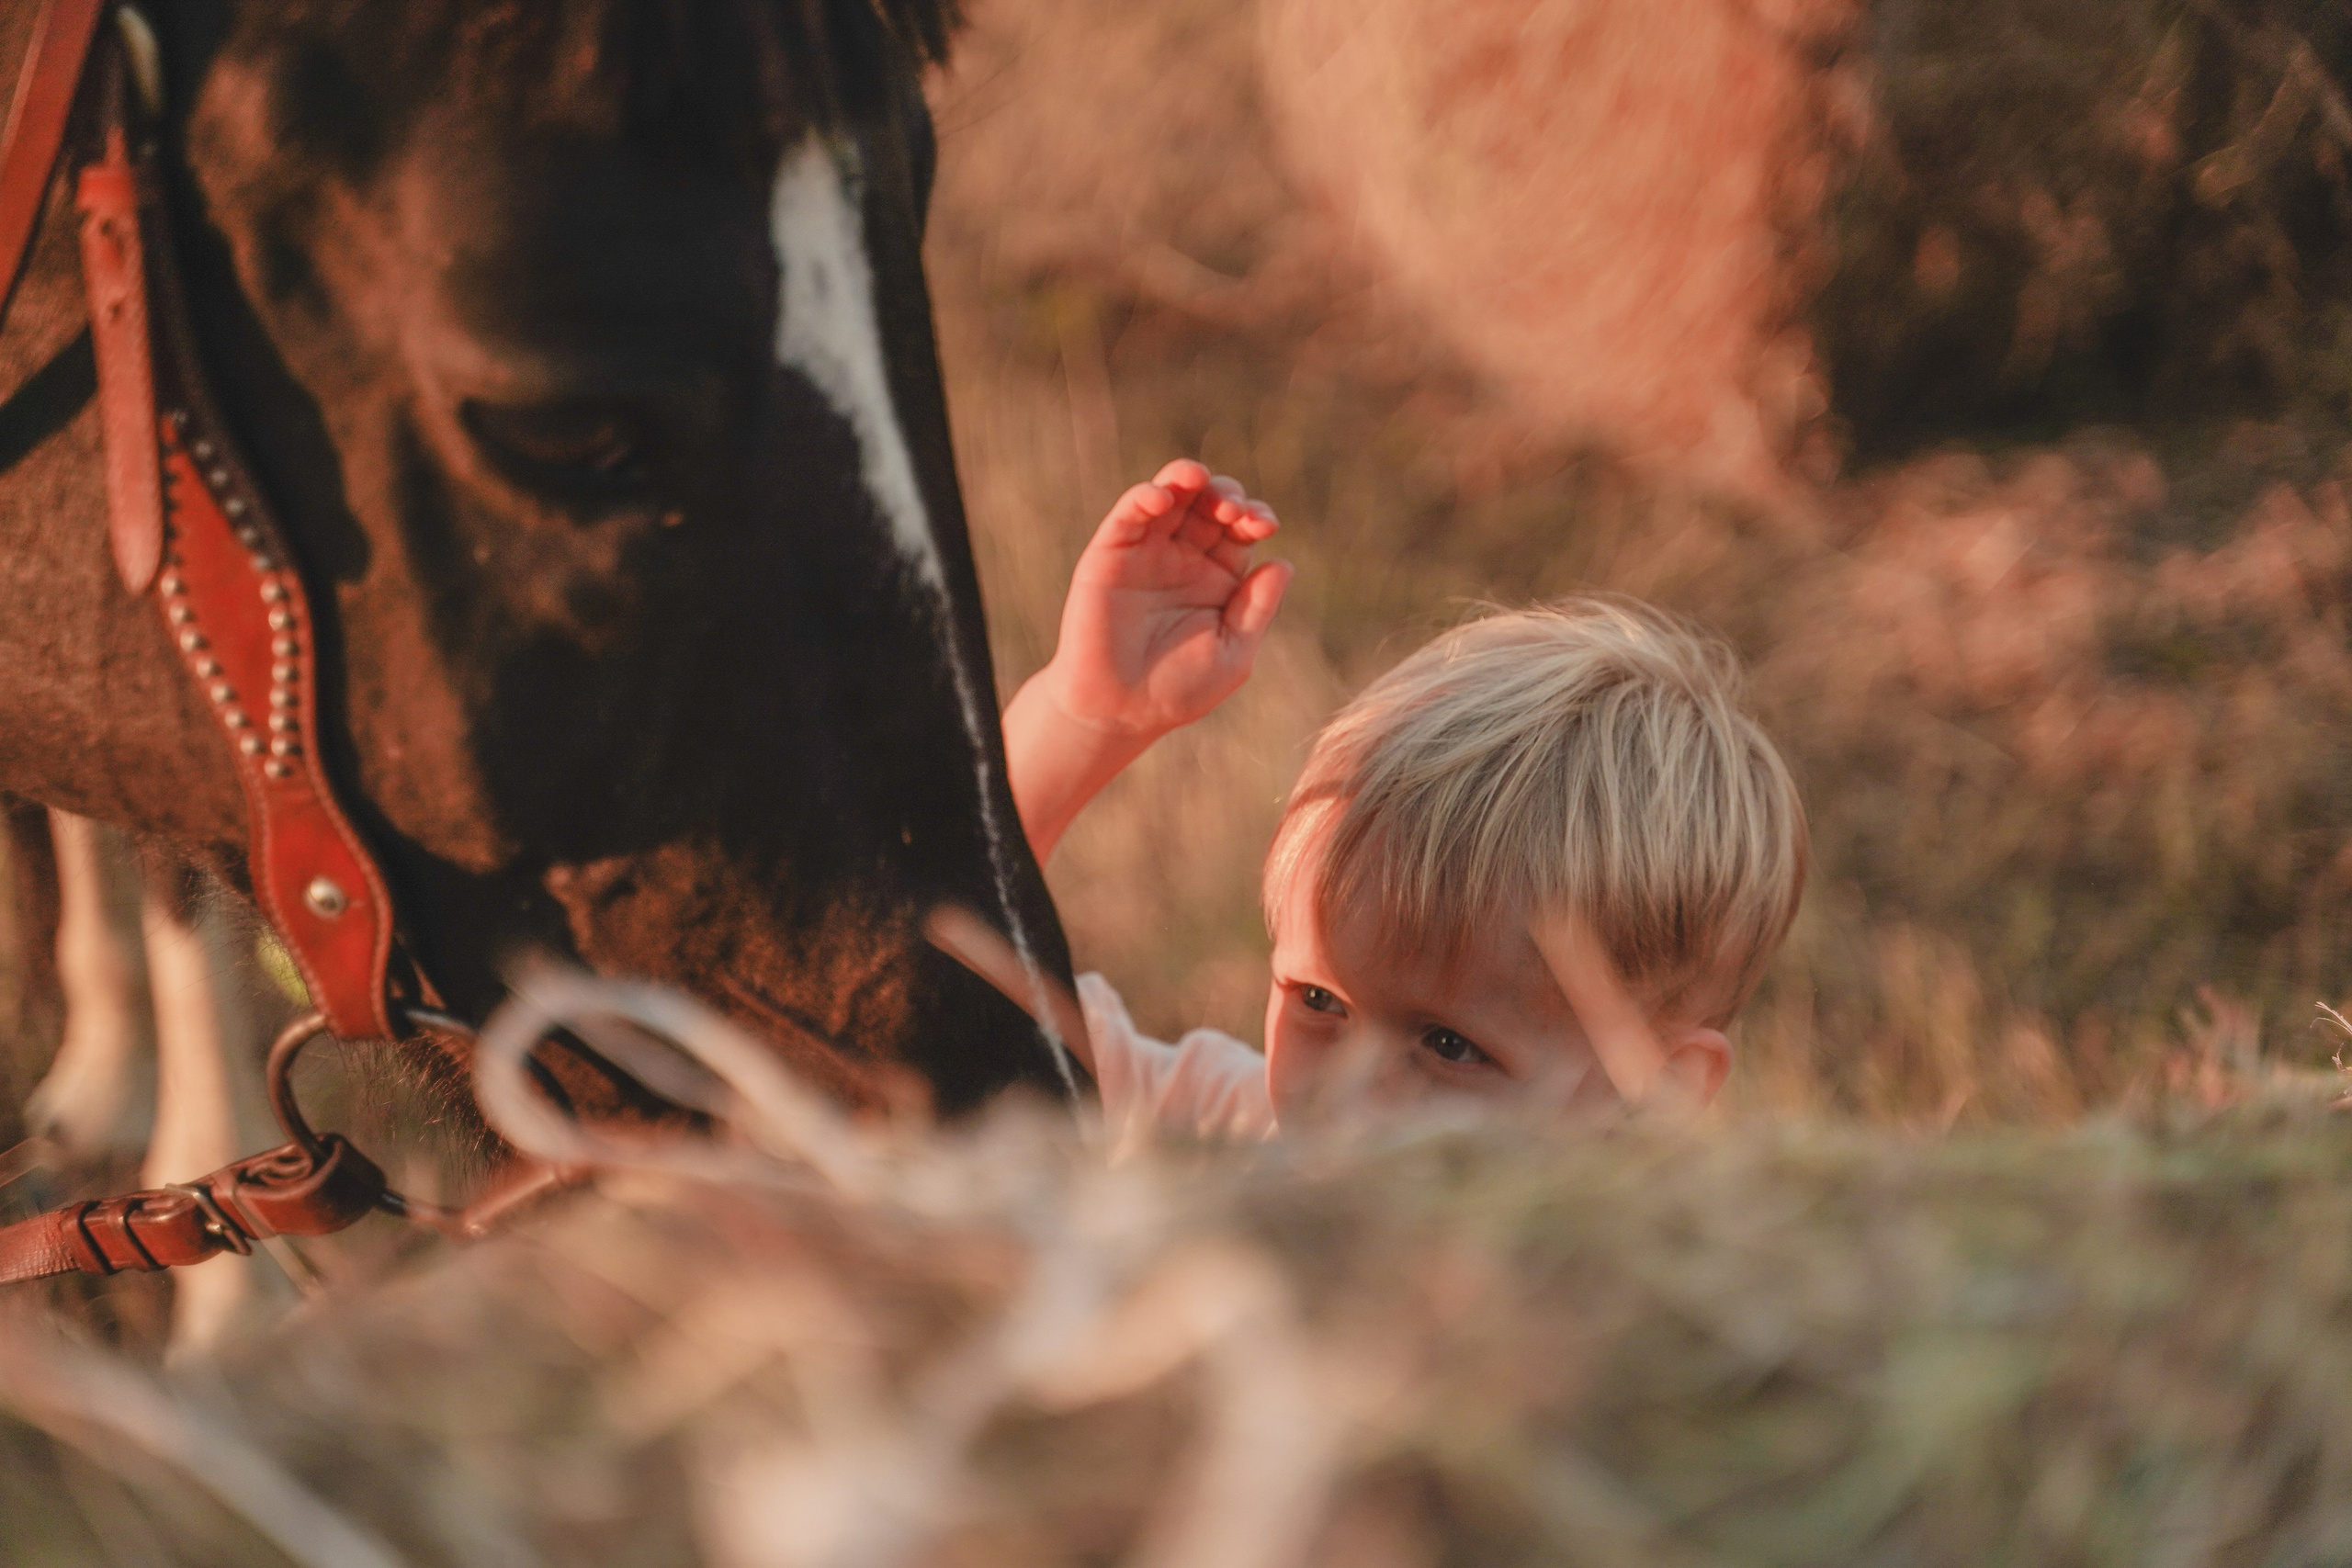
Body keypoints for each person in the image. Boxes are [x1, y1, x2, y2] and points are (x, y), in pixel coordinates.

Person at [1000, 460, 1806, 1145]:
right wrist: (1083, 718)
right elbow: (963, 992)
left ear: (1656, 1091)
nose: (1347, 1097)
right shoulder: (1240, 1135)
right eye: (1318, 1000)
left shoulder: (1650, 1282)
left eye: (1448, 1044)